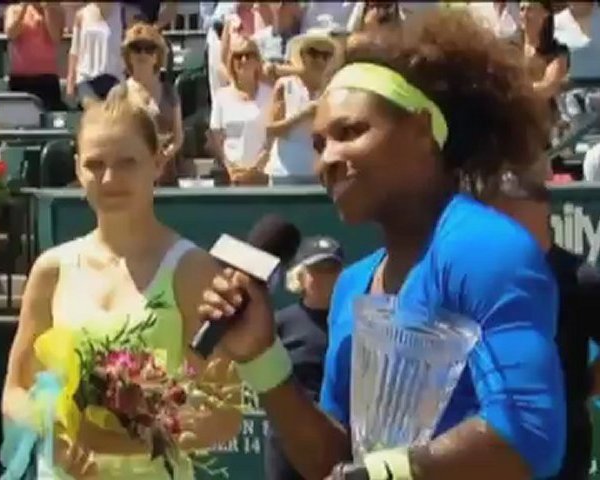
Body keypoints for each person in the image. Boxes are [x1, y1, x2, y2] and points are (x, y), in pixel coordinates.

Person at [198, 9, 565, 480]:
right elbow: (333, 461)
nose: (328, 159)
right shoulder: (352, 286)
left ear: (420, 131)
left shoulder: (484, 248)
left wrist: (387, 471)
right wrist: (261, 355)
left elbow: (530, 434)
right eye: (318, 144)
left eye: (350, 132)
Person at [1, 87, 241, 479]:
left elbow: (223, 414)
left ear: (157, 162)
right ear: (78, 169)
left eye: (127, 163)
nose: (110, 178)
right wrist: (54, 435)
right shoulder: (51, 270)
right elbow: (15, 392)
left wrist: (112, 441)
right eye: (95, 164)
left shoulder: (192, 269)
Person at [489, 169, 600, 480]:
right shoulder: (483, 274)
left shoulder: (579, 278)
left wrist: (579, 389)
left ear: (542, 211)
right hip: (494, 440)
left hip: (565, 447)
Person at [265, 236, 344, 480]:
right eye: (316, 270)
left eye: (332, 270)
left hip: (338, 441)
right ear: (299, 276)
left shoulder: (353, 322)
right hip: (287, 443)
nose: (325, 277)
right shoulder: (279, 323)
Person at [264, 30, 340, 186]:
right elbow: (271, 130)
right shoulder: (285, 85)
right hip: (285, 173)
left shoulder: (334, 89)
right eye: (313, 53)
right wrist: (304, 114)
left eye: (325, 55)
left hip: (320, 174)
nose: (320, 60)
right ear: (302, 55)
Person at [114, 22, 184, 185]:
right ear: (128, 55)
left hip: (165, 175)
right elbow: (114, 135)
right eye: (136, 48)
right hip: (131, 176)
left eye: (149, 48)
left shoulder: (169, 92)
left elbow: (178, 136)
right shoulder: (119, 93)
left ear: (157, 56)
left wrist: (164, 156)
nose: (142, 54)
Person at [209, 37, 272, 186]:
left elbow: (274, 137)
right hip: (230, 176)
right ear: (231, 62)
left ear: (257, 61)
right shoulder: (221, 96)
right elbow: (216, 137)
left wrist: (256, 168)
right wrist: (230, 168)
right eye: (238, 56)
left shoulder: (270, 94)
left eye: (249, 55)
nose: (243, 60)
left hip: (262, 174)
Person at [5, 2, 66, 111]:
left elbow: (56, 37)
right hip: (20, 78)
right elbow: (11, 34)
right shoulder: (13, 10)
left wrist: (47, 8)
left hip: (46, 78)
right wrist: (24, 9)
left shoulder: (56, 10)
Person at [67, 2, 124, 108]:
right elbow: (75, 50)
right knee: (92, 116)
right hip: (86, 79)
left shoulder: (122, 12)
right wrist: (70, 80)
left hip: (114, 80)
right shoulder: (81, 14)